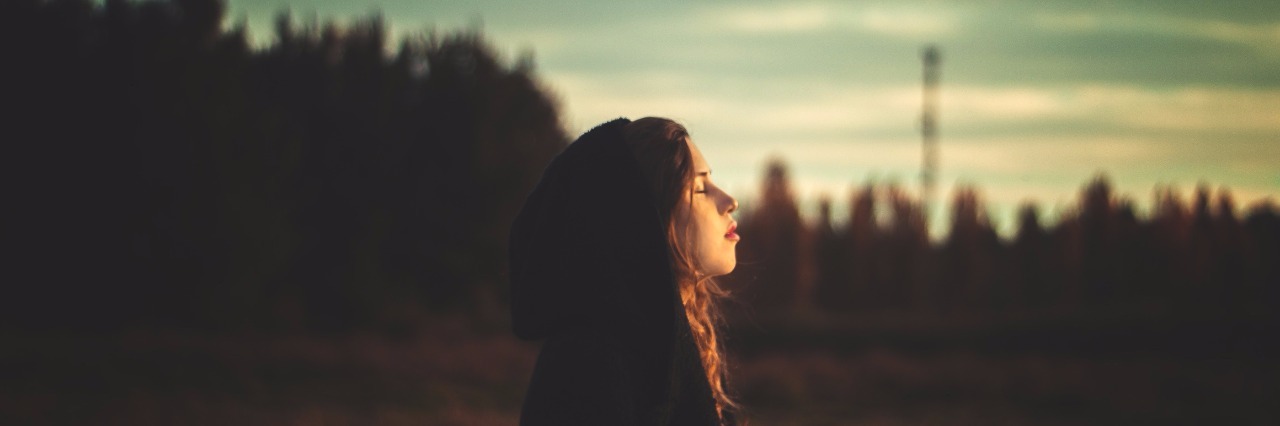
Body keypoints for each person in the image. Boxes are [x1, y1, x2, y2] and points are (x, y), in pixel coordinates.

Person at [509, 117, 742, 425]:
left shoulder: (676, 345)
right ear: (646, 216)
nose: (729, 201)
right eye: (699, 189)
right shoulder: (591, 365)